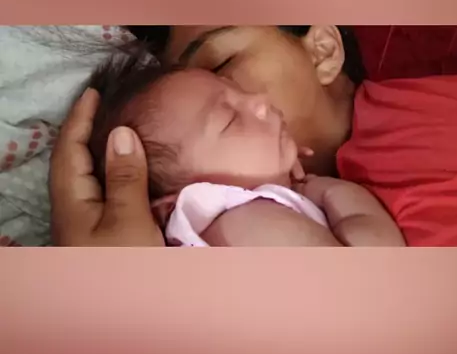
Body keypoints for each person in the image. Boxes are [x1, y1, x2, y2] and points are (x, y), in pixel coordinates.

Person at [124, 25, 457, 247]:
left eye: (221, 67)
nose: (257, 102)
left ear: (322, 52)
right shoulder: (233, 225)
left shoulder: (434, 116)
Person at [87, 55, 404, 246]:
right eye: (230, 119)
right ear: (173, 206)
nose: (261, 101)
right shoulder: (243, 222)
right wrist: (326, 190)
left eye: (239, 91)